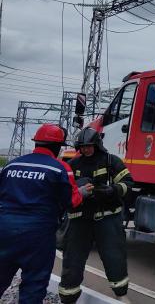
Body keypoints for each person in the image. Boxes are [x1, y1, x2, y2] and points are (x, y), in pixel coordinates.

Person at [0, 124, 89, 304]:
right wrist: (82, 192)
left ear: (36, 143)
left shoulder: (12, 165)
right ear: (57, 147)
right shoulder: (60, 168)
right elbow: (72, 202)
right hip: (38, 234)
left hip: (4, 229)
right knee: (34, 284)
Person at [59, 127, 133, 303]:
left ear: (97, 144)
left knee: (114, 257)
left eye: (89, 146)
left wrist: (112, 190)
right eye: (83, 146)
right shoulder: (73, 164)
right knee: (73, 260)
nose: (86, 149)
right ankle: (68, 297)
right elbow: (64, 190)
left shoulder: (111, 161)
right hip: (80, 220)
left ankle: (121, 294)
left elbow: (128, 183)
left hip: (107, 219)